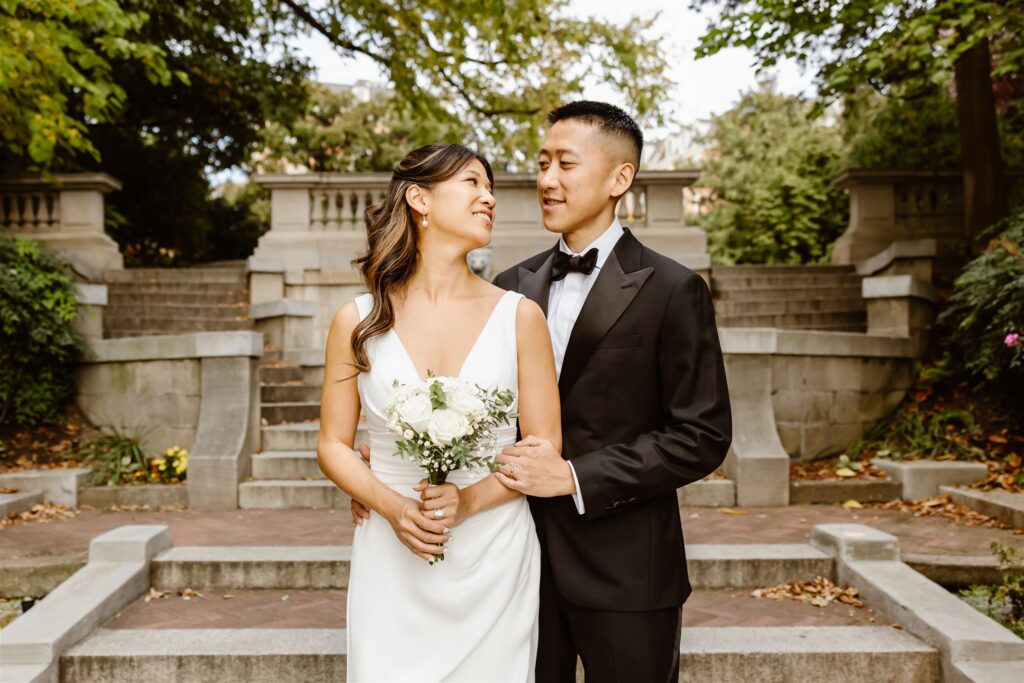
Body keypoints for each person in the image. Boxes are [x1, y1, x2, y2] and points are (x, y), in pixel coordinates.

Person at [490, 101, 733, 682]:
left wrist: (575, 477)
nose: (546, 179)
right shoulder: (507, 286)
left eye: (565, 164)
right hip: (514, 563)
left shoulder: (674, 289)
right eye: (542, 162)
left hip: (629, 572)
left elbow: (701, 436)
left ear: (619, 177)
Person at [318, 143, 560, 681]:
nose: (489, 197)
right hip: (391, 551)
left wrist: (470, 501)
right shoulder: (356, 320)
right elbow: (333, 444)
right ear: (418, 198)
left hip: (494, 551)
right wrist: (390, 506)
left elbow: (545, 448)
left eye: (489, 186)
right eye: (472, 182)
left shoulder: (520, 317)